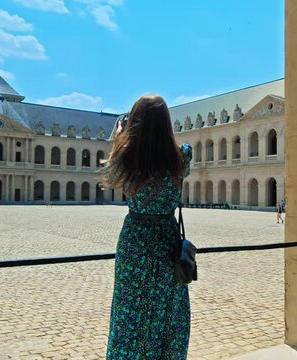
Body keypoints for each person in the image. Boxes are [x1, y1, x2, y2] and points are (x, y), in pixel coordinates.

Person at [104, 95, 192, 359]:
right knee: (168, 311)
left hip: (136, 240)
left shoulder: (127, 156)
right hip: (167, 239)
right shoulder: (182, 156)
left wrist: (120, 137)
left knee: (131, 313)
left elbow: (111, 175)